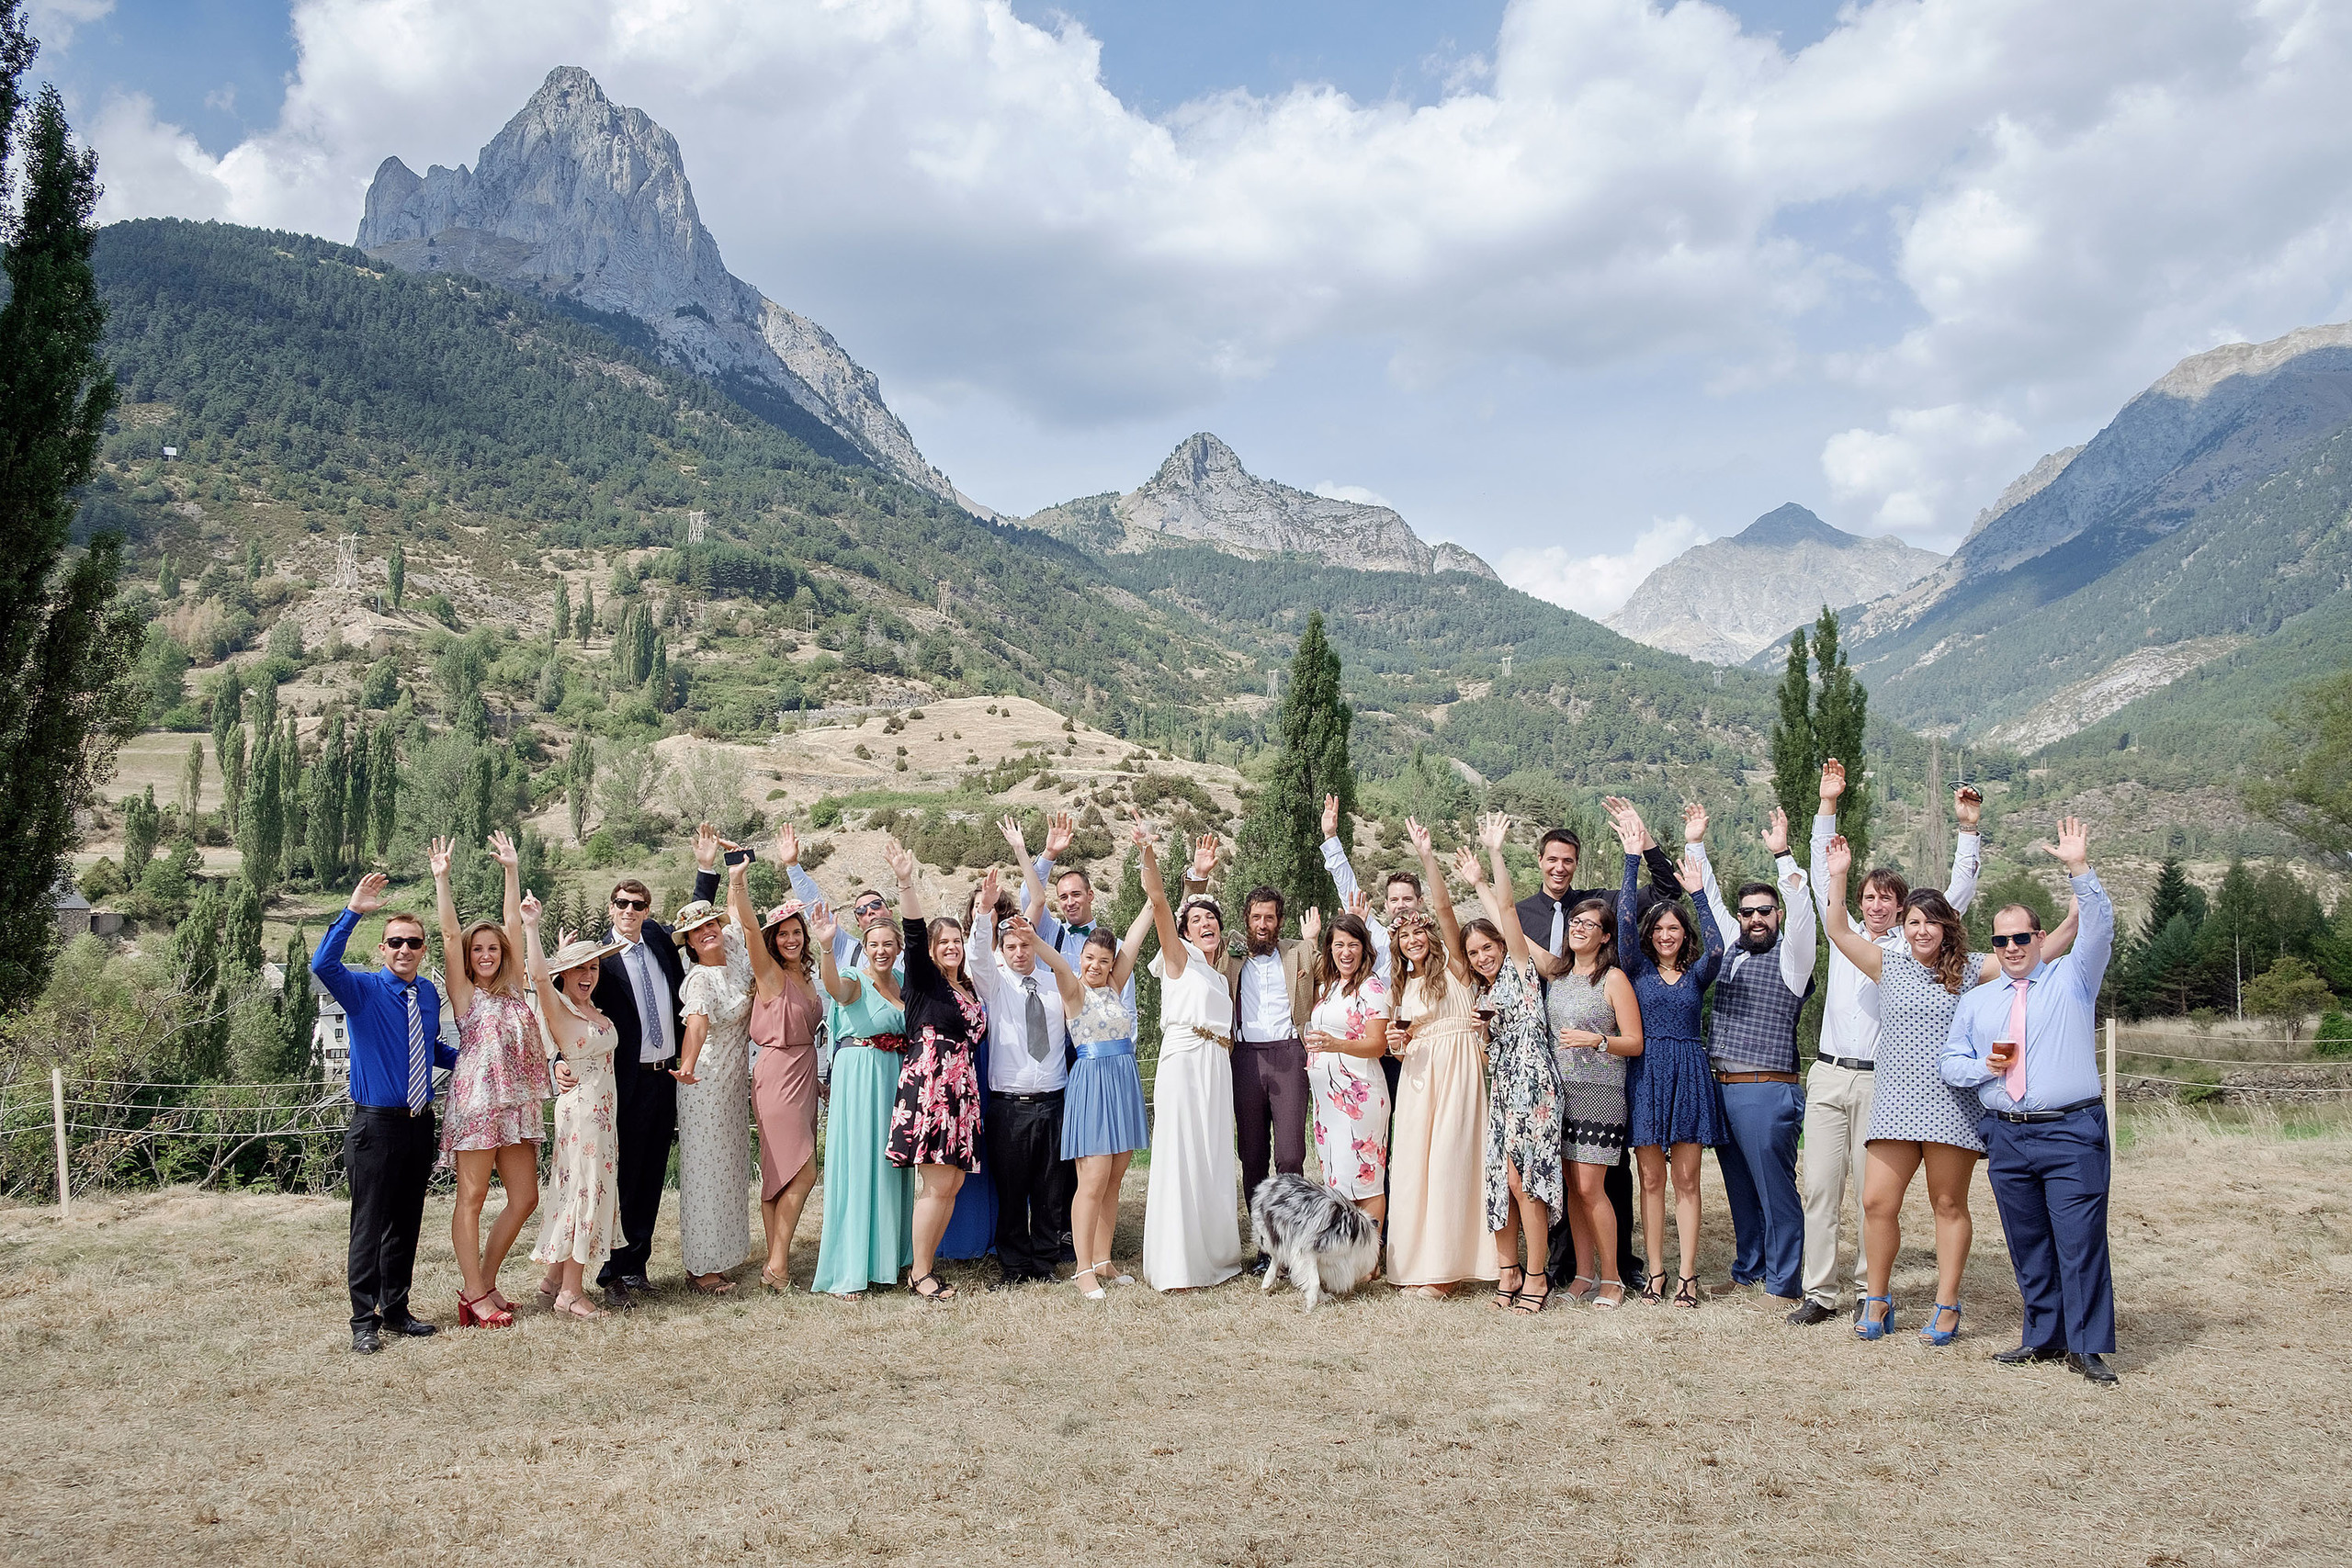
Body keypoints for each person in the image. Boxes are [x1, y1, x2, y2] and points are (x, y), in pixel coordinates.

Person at [1789, 759, 1983, 1326]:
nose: (1875, 905)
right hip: (1827, 1072)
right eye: (1867, 897)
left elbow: (1958, 894)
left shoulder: (1906, 950)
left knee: (1873, 1197)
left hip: (1887, 1082)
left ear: (1901, 908)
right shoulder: (1847, 937)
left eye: (1885, 899)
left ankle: (1868, 1290)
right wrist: (1827, 809)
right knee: (1821, 1188)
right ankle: (1819, 1291)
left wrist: (1968, 829)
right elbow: (1830, 887)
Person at [1940, 817, 2121, 1386]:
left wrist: (2079, 869)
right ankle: (2042, 1337)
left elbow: (2099, 927)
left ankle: (2087, 1346)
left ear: (2040, 940)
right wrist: (1981, 1067)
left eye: (2022, 938)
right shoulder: (1978, 1001)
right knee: (2029, 1242)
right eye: (2001, 940)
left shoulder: (2072, 979)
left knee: (2079, 1238)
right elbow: (1949, 1063)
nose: (2012, 947)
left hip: (2071, 1131)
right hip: (2008, 1133)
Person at [1818, 833, 1989, 1344]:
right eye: (1912, 921)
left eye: (1929, 921)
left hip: (1951, 1105)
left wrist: (2074, 909)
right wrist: (1840, 875)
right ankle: (1877, 1297)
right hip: (1894, 1104)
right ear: (1902, 926)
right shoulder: (1886, 965)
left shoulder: (1972, 969)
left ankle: (1947, 1304)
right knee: (1876, 1202)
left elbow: (2031, 956)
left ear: (1946, 927)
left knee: (1948, 1205)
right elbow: (1835, 928)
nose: (1920, 930)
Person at [1516, 807, 1682, 1293]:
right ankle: (1573, 1269)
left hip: (1599, 1075)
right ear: (1541, 861)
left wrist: (1644, 842)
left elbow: (1668, 893)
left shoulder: (1598, 904)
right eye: (1552, 859)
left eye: (1568, 860)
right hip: (1550, 1068)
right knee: (1566, 1183)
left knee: (1607, 1182)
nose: (1560, 867)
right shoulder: (1525, 916)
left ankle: (1619, 1267)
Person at [315, 874, 461, 1353]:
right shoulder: (362, 992)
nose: (404, 949)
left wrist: (473, 1061)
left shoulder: (427, 995)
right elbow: (323, 963)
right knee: (369, 1223)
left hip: (419, 1123)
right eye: (395, 942)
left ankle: (396, 1309)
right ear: (382, 949)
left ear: (423, 950)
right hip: (375, 1126)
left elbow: (427, 1047)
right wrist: (353, 910)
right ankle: (363, 1319)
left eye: (413, 943)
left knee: (406, 1221)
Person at [1681, 801, 1815, 1304]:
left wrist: (1783, 857)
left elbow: (1804, 921)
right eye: (1748, 912)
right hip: (1721, 1088)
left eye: (1765, 911)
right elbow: (1710, 902)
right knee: (1740, 1189)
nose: (1756, 919)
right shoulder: (1732, 948)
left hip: (1766, 1089)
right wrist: (1696, 843)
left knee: (1776, 1191)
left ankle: (1784, 1282)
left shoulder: (1793, 959)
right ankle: (1750, 1268)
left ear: (1777, 913)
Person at [589, 830, 720, 1305]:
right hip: (621, 1081)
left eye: (638, 905)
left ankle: (637, 1263)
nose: (629, 911)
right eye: (622, 904)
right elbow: (569, 1009)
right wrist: (562, 1061)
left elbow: (695, 920)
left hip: (663, 1079)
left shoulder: (659, 943)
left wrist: (706, 870)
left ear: (647, 911)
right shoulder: (596, 959)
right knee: (617, 1175)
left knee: (649, 1174)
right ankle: (610, 1272)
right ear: (610, 908)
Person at [1026, 835, 1157, 1297]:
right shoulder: (1074, 990)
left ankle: (1103, 1261)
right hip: (1091, 1083)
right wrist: (1031, 937)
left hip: (1122, 1082)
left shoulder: (1116, 986)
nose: (1097, 965)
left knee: (1116, 1176)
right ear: (1081, 960)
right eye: (1090, 959)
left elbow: (1144, 923)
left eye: (1104, 959)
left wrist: (1151, 867)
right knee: (1092, 1178)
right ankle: (1082, 1269)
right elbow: (1055, 961)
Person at [426, 829, 547, 1329]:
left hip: (517, 1102)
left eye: (492, 947)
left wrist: (511, 870)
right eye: (478, 949)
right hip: (476, 1103)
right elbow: (450, 935)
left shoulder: (515, 985)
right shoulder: (465, 995)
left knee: (525, 1197)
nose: (485, 954)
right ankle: (473, 1294)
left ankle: (486, 1282)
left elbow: (515, 924)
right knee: (471, 1196)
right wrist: (442, 880)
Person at [1609, 801, 1724, 1308]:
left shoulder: (1699, 972)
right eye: (1658, 930)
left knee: (1687, 1180)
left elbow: (1719, 949)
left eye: (1673, 929)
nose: (1665, 935)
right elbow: (1623, 920)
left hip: (1689, 1071)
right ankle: (1655, 1274)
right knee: (1650, 1178)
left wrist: (1698, 896)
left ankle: (1688, 1276)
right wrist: (1632, 859)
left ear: (1683, 934)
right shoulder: (1634, 968)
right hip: (1646, 1072)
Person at [1454, 818, 1566, 1313]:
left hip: (1535, 1084)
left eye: (1488, 948)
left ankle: (1537, 1277)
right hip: (1502, 1090)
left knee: (1529, 1182)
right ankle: (1508, 1270)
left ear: (1504, 946)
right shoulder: (1483, 994)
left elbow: (1505, 909)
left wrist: (1492, 860)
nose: (1481, 957)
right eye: (1474, 952)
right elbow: (1487, 1057)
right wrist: (1483, 1035)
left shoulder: (1522, 972)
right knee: (1501, 1180)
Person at [1383, 818, 1498, 1298]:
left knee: (1451, 1163)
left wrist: (1427, 857)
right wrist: (1397, 1044)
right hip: (1417, 1076)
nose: (1413, 941)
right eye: (1404, 937)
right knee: (1413, 1168)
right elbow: (1398, 1039)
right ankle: (1416, 1265)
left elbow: (1447, 909)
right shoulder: (1400, 984)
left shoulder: (1454, 965)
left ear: (1429, 936)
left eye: (1419, 933)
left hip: (1457, 1069)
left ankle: (1448, 1271)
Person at [882, 839, 990, 1302]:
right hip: (931, 1087)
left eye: (956, 940)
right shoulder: (923, 982)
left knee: (953, 1181)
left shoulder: (967, 988)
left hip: (961, 1089)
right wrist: (906, 881)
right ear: (930, 950)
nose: (952, 946)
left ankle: (926, 1265)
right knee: (936, 1183)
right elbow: (910, 929)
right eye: (943, 941)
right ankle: (920, 1273)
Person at [1138, 825, 1246, 1291]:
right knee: (1181, 1155)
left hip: (1217, 1066)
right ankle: (1178, 1265)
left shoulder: (1218, 976)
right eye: (1196, 919)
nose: (1206, 923)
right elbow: (1161, 904)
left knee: (1213, 1157)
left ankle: (1216, 1256)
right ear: (1182, 933)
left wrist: (1201, 884)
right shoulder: (1178, 961)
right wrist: (1149, 854)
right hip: (1183, 1060)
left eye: (1212, 919)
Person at [970, 836, 1073, 1288]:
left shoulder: (1055, 983)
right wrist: (982, 914)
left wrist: (1024, 851)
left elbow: (1039, 898)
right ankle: (1013, 1266)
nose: (1019, 953)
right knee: (1012, 1193)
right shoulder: (994, 984)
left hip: (1053, 1101)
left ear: (1035, 945)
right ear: (1003, 948)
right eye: (1010, 946)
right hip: (1009, 1105)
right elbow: (978, 955)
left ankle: (1045, 1262)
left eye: (1025, 945)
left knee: (1050, 1191)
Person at [521, 895, 625, 1323]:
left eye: (594, 967)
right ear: (563, 974)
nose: (588, 975)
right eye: (580, 968)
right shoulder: (560, 1010)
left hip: (601, 1114)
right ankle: (571, 1292)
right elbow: (541, 980)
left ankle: (553, 1279)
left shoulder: (590, 1009)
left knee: (580, 1190)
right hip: (582, 1113)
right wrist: (532, 928)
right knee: (584, 1192)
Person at [1537, 889, 1641, 1308]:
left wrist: (1596, 1040)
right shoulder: (1557, 975)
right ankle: (1583, 1273)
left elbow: (1634, 1042)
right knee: (1571, 1190)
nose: (1579, 928)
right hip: (1560, 1094)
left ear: (1605, 936)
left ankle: (1613, 1279)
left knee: (1590, 1187)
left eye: (1589, 924)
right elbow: (1510, 926)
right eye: (1575, 922)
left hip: (1600, 1094)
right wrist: (1481, 882)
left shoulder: (1613, 979)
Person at [807, 902, 915, 1298]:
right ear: (865, 948)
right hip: (860, 1074)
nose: (881, 950)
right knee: (858, 1165)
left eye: (889, 943)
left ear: (899, 947)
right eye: (874, 944)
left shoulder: (905, 979)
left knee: (891, 1165)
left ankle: (891, 1260)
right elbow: (835, 988)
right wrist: (826, 947)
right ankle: (850, 1268)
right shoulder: (852, 976)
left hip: (896, 1077)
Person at [732, 847, 824, 1292]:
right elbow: (750, 926)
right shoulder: (769, 974)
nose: (791, 940)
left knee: (779, 1175)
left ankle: (775, 1265)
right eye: (783, 934)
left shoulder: (808, 975)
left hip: (806, 1073)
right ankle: (778, 1265)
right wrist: (738, 881)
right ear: (773, 939)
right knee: (802, 1172)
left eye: (796, 933)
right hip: (777, 1075)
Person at [1220, 858, 1317, 1260]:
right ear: (1247, 919)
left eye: (1270, 918)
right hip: (1244, 1056)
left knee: (1291, 1153)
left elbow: (1345, 960)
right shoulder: (1228, 955)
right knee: (1253, 1153)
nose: (1263, 924)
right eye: (1256, 917)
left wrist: (1314, 938)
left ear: (1280, 921)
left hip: (1289, 1054)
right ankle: (1264, 1244)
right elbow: (1185, 930)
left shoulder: (1300, 952)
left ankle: (1290, 1238)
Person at [670, 888, 752, 1295]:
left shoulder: (736, 954)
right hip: (704, 1086)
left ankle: (724, 1254)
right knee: (705, 1175)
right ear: (688, 943)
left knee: (729, 1171)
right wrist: (686, 1065)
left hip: (734, 1084)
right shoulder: (700, 978)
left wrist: (736, 870)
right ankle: (702, 1267)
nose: (706, 932)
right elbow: (697, 1023)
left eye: (709, 924)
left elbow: (739, 914)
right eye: (695, 931)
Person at [1299, 907, 1391, 1235]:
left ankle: (1369, 1257)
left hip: (1360, 1099)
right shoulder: (1329, 987)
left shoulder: (1373, 988)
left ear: (1364, 948)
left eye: (1352, 944)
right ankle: (1346, 1251)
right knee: (1338, 1178)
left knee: (1366, 1178)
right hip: (1327, 1102)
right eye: (1338, 945)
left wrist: (1337, 1045)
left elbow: (1377, 1045)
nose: (1345, 952)